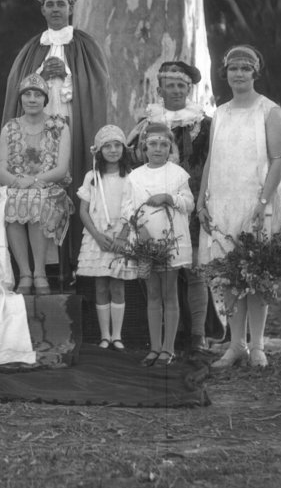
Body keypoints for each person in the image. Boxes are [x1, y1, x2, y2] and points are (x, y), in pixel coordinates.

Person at [2, 0, 109, 288]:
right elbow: (21, 89)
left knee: (73, 180)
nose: (55, 9)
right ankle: (40, 271)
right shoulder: (31, 48)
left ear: (71, 7)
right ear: (42, 9)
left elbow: (98, 87)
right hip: (35, 134)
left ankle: (77, 266)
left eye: (61, 3)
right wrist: (40, 76)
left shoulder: (86, 45)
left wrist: (69, 78)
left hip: (74, 126)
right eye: (50, 4)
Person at [197, 45, 281, 369]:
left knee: (257, 273)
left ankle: (258, 345)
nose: (239, 74)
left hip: (256, 201)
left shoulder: (269, 110)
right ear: (226, 73)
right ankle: (236, 344)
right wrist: (202, 200)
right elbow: (212, 159)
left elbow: (279, 160)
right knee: (228, 275)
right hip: (222, 201)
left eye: (245, 68)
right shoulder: (220, 113)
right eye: (233, 68)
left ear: (255, 73)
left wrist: (263, 202)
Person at [128, 60, 216, 365]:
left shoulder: (204, 124)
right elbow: (132, 160)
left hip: (194, 203)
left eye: (181, 85)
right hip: (153, 212)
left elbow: (215, 163)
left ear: (189, 89)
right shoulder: (146, 124)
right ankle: (166, 338)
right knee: (157, 275)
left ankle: (198, 335)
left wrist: (203, 201)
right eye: (170, 85)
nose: (176, 90)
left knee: (195, 272)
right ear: (160, 89)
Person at [0, 73, 74, 296]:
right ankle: (25, 273)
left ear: (45, 99)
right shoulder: (10, 128)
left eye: (37, 95)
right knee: (11, 201)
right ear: (21, 98)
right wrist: (19, 182)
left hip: (49, 188)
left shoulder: (59, 126)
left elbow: (61, 169)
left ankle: (40, 272)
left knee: (37, 200)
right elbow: (0, 170)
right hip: (18, 186)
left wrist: (37, 181)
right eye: (27, 94)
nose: (32, 99)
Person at [122, 123, 194, 366]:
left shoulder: (177, 174)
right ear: (144, 147)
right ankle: (154, 347)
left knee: (169, 293)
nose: (158, 149)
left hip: (170, 241)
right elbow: (126, 207)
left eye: (164, 144)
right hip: (146, 241)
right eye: (153, 144)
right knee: (153, 294)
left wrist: (169, 198)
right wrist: (138, 228)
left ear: (170, 147)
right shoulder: (135, 176)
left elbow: (189, 203)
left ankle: (168, 349)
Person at [75, 125, 138, 350]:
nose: (112, 150)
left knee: (117, 286)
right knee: (100, 287)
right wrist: (97, 236)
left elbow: (135, 210)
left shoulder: (131, 177)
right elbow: (83, 211)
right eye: (107, 146)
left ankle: (117, 336)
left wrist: (123, 236)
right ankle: (105, 336)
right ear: (99, 151)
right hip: (98, 239)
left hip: (122, 237)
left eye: (117, 145)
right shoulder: (92, 177)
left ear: (124, 148)